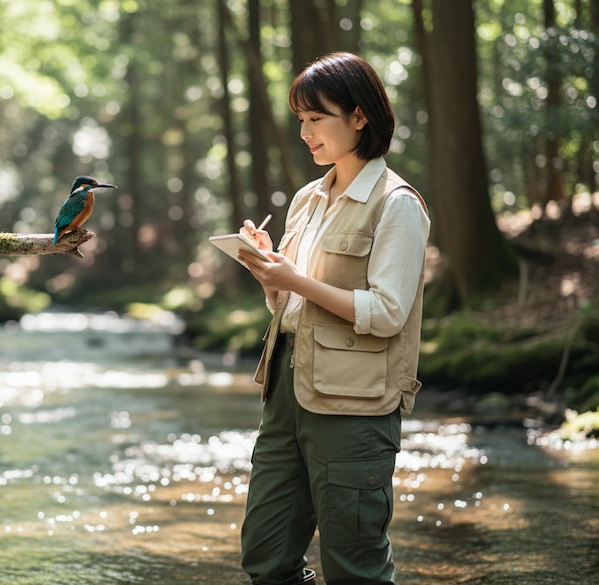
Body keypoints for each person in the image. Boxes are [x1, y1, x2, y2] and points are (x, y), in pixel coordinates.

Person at [234, 51, 430, 585]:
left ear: (360, 117)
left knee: (354, 565)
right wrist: (270, 271)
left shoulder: (398, 204)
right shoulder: (306, 199)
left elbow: (388, 313)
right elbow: (293, 306)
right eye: (301, 120)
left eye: (316, 118)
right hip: (286, 388)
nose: (305, 132)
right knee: (266, 555)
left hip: (355, 403)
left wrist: (294, 280)